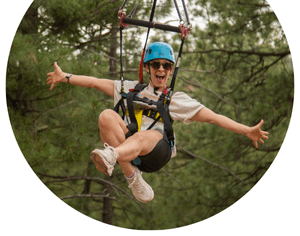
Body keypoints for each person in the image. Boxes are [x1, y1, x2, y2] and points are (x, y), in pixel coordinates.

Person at [46, 42, 269, 203]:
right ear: (148, 68)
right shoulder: (131, 88)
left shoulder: (176, 99)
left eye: (165, 66)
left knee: (147, 136)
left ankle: (112, 155)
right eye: (155, 65)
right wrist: (64, 76)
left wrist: (247, 130)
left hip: (157, 153)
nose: (160, 69)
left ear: (170, 70)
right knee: (106, 115)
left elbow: (213, 117)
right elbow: (96, 83)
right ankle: (132, 176)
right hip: (131, 149)